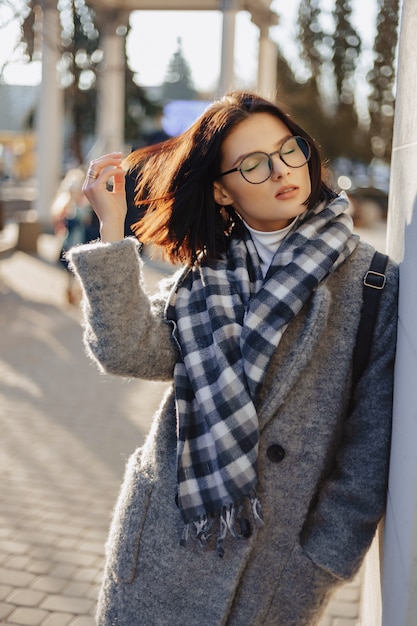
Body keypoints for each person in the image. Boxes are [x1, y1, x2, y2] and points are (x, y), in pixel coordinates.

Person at [67, 91, 398, 626]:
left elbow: (368, 455)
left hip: (272, 574)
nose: (281, 171)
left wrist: (317, 565)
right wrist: (111, 231)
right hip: (164, 548)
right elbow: (126, 351)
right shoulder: (205, 276)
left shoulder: (375, 283)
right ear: (222, 191)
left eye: (289, 150)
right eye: (253, 164)